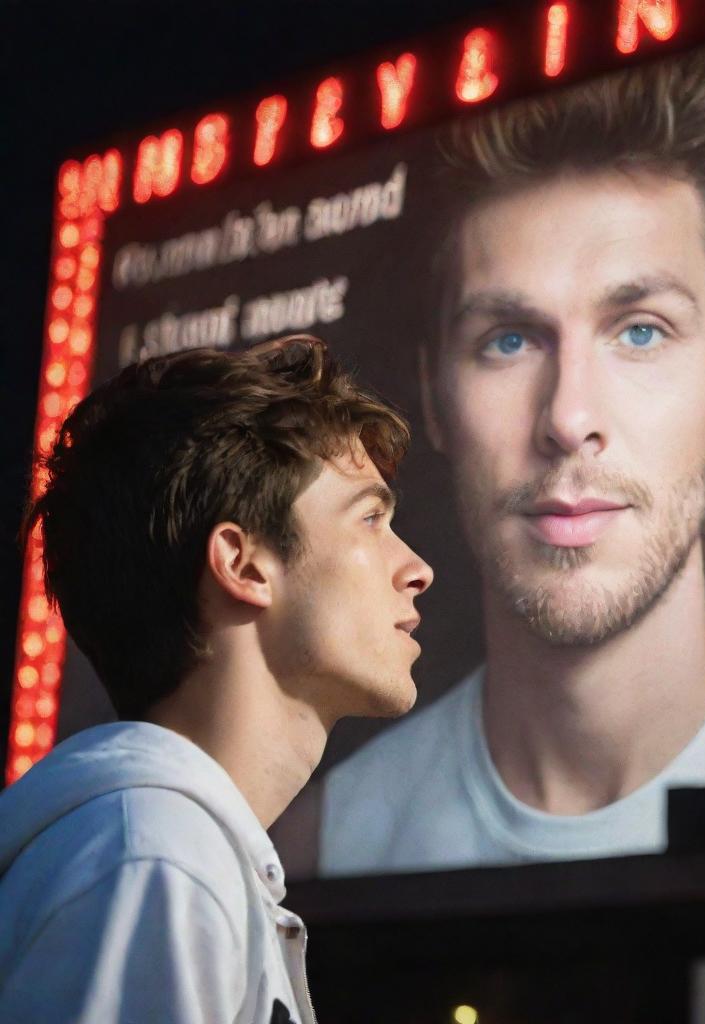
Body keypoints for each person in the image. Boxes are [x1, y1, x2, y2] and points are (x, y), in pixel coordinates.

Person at [320, 51, 705, 876]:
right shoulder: (326, 845)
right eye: (507, 341)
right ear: (434, 398)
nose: (567, 418)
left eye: (641, 330)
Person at [0, 337, 432, 1021]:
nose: (416, 568)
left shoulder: (165, 856)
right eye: (372, 518)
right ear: (244, 563)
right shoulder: (154, 860)